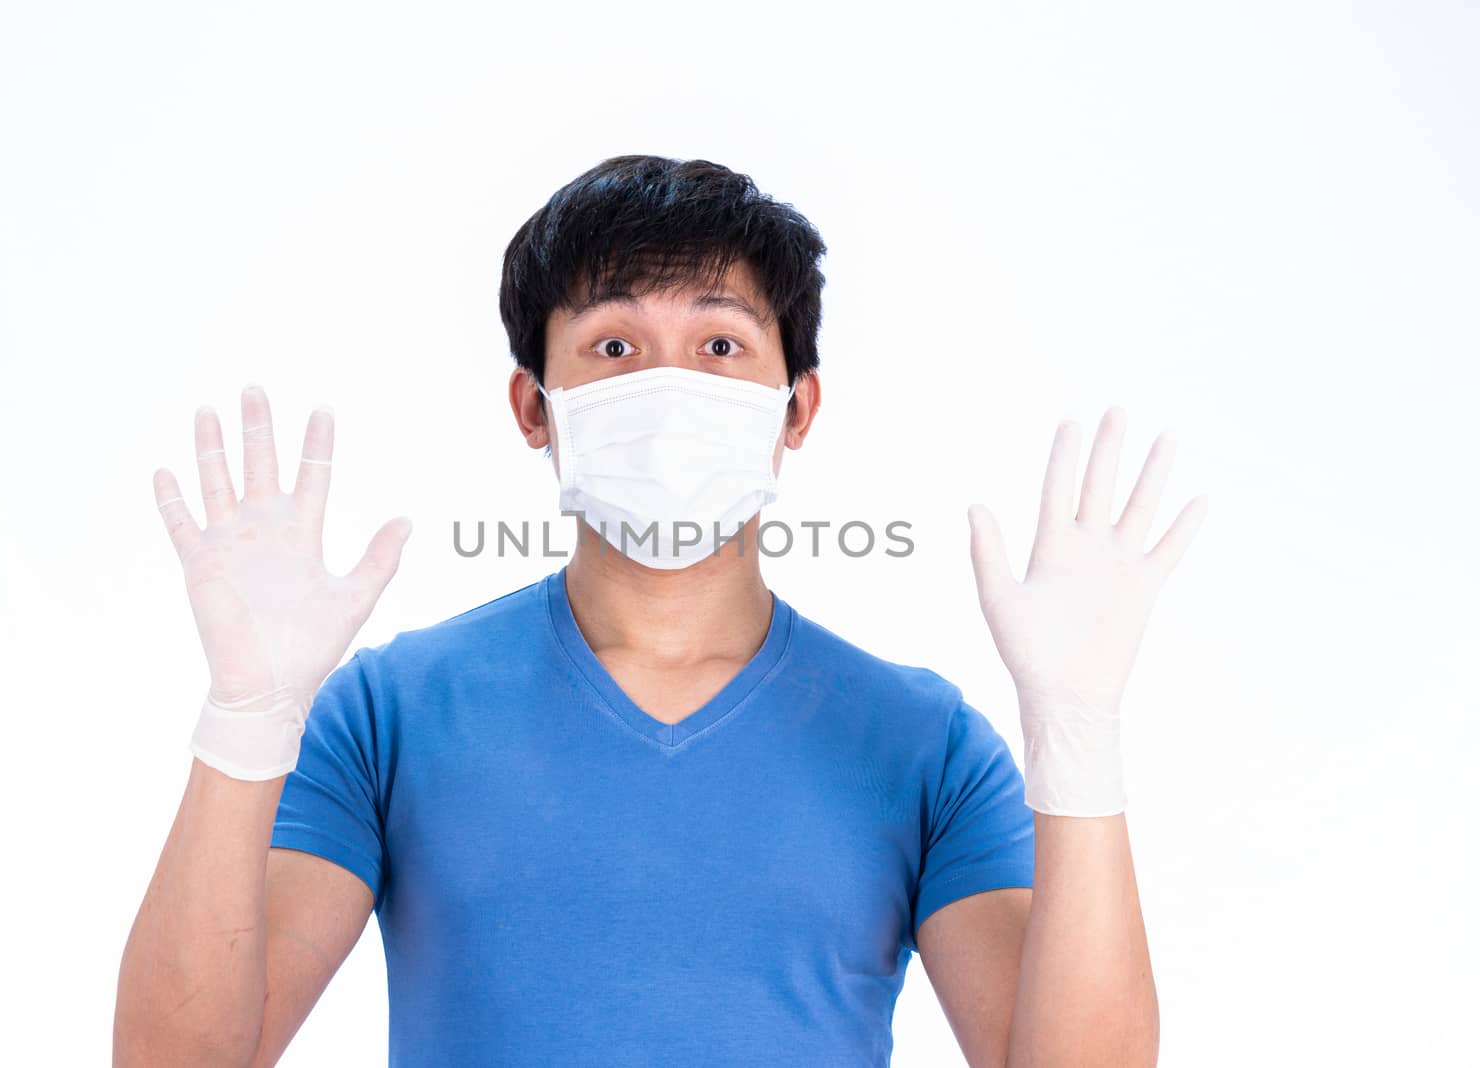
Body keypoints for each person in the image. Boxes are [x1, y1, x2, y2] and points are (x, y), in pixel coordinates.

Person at [114, 155, 1205, 1067]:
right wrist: (245, 718)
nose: (669, 384)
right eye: (614, 346)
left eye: (721, 344)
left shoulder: (922, 745)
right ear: (534, 408)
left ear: (797, 408)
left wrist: (1078, 736)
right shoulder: (388, 716)